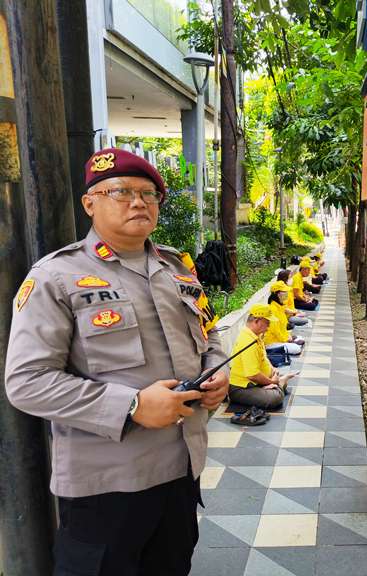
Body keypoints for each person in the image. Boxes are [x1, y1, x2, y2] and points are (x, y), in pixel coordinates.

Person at [4, 148, 230, 576]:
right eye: (120, 192)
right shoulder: (56, 276)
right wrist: (132, 406)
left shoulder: (177, 267)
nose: (138, 202)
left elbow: (209, 332)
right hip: (106, 485)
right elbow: (26, 381)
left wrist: (218, 369)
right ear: (90, 203)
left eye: (149, 193)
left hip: (181, 472)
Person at [228, 304, 295, 413]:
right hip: (242, 388)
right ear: (257, 321)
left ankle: (277, 384)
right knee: (275, 398)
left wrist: (272, 369)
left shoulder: (255, 336)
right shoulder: (247, 341)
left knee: (279, 381)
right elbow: (252, 375)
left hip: (257, 382)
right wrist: (270, 381)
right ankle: (278, 385)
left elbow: (264, 357)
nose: (268, 328)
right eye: (267, 323)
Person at [264, 280, 305, 355]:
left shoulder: (280, 307)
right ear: (277, 294)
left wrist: (288, 336)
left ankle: (291, 343)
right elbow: (275, 330)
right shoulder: (272, 309)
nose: (287, 293)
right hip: (272, 342)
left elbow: (283, 327)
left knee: (301, 338)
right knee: (297, 349)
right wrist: (286, 339)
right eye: (284, 292)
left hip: (281, 338)